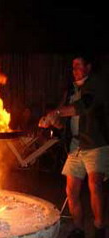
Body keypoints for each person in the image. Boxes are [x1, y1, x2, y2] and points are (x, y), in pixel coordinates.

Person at [39, 57, 109, 238]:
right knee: (71, 190)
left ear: (88, 66)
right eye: (73, 66)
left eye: (78, 65)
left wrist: (56, 112)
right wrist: (53, 121)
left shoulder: (96, 84)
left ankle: (100, 227)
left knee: (95, 184)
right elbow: (63, 121)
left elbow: (83, 106)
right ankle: (78, 228)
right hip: (75, 145)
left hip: (96, 144)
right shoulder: (70, 89)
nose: (74, 69)